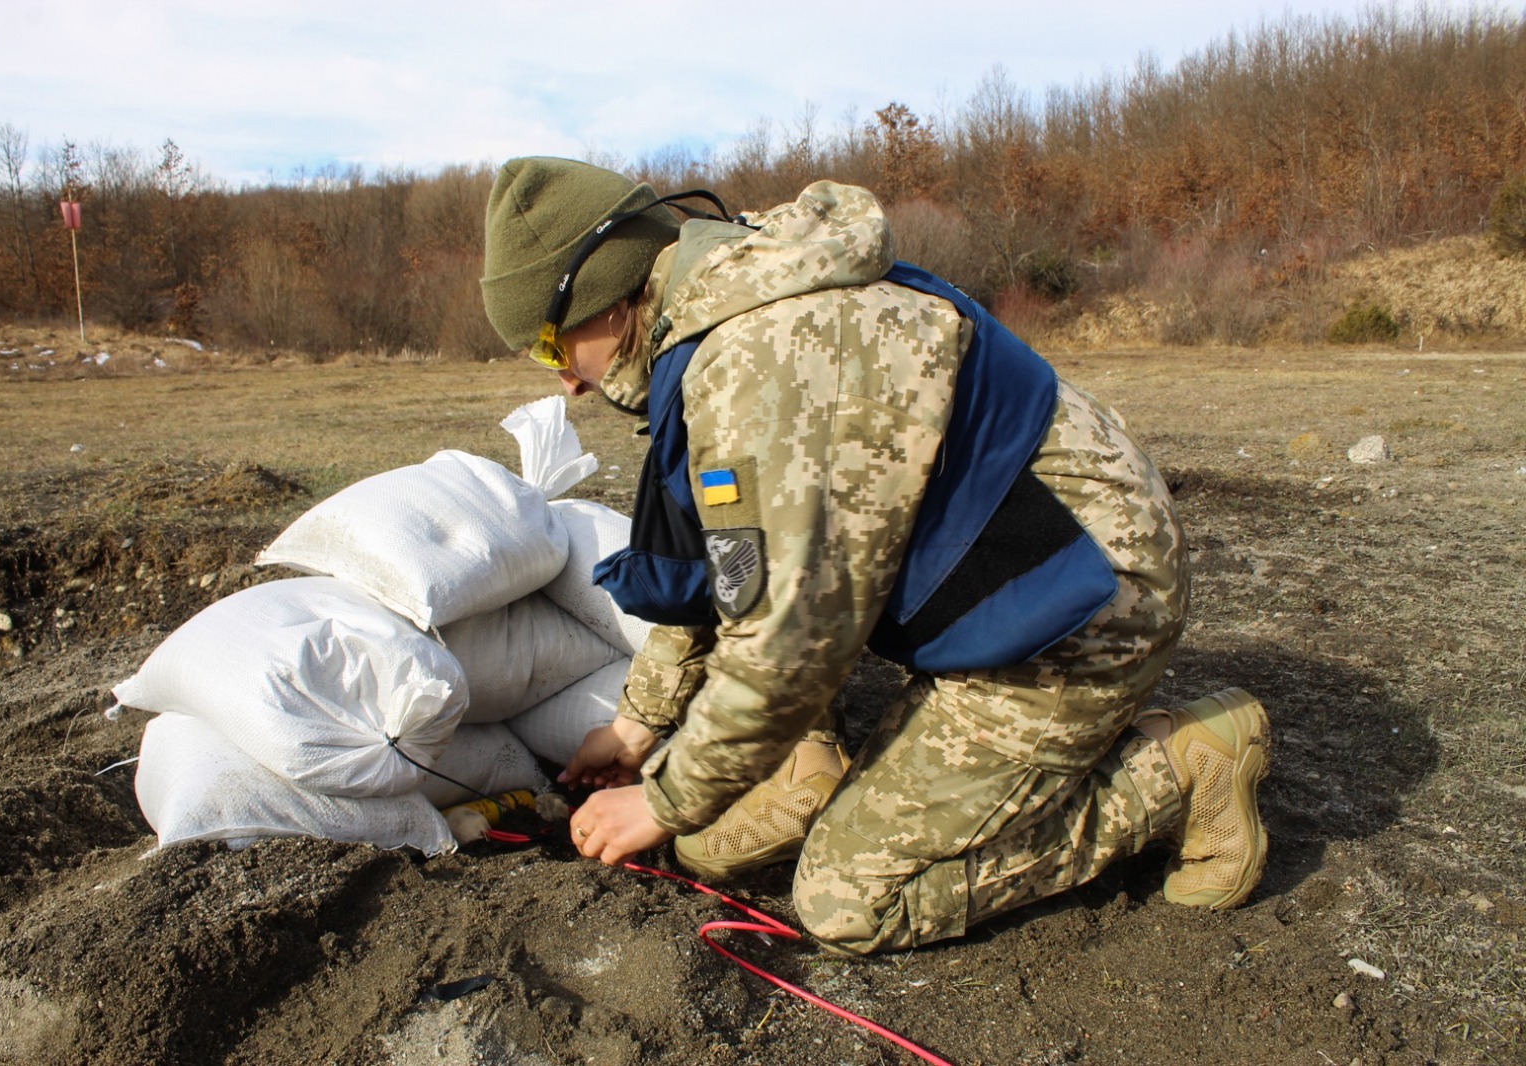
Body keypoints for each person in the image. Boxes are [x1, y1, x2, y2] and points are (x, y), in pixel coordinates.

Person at [479, 156, 1272, 956]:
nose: (567, 386)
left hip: (1085, 605)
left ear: (606, 300)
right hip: (1020, 567)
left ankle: (1180, 772)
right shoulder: (731, 297)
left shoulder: (755, 364)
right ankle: (812, 768)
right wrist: (638, 726)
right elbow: (735, 570)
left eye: (551, 347)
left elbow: (784, 640)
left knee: (850, 901)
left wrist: (665, 804)